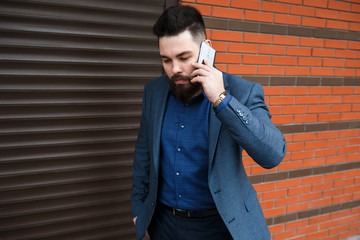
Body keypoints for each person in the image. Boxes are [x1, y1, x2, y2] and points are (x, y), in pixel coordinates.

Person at [131, 5, 286, 240]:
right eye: (166, 60)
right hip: (164, 225)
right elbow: (143, 155)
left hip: (220, 226)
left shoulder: (242, 92)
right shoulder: (153, 92)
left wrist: (221, 100)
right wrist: (138, 210)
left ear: (207, 49)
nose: (175, 69)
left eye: (184, 57)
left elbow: (273, 154)